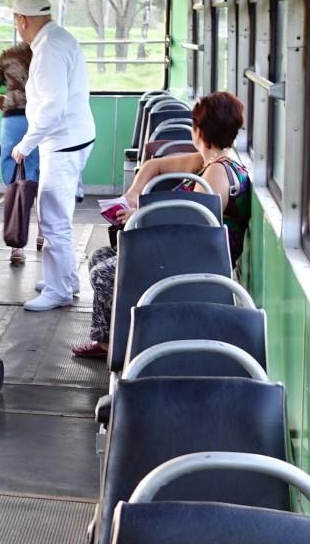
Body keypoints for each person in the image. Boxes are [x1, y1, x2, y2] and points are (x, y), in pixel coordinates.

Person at [72, 90, 252, 360]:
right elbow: (154, 166)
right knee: (100, 256)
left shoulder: (217, 173)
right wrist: (133, 195)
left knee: (103, 274)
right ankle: (110, 340)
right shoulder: (207, 161)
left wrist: (141, 215)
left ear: (199, 131)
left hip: (196, 260)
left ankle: (127, 343)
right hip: (184, 249)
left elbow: (193, 226)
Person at [8, 0, 95, 311]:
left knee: (53, 217)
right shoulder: (60, 38)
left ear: (22, 20)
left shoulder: (47, 51)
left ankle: (59, 291)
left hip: (63, 142)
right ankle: (66, 279)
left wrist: (25, 144)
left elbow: (52, 107)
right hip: (72, 138)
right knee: (60, 214)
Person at [0, 43, 36, 266]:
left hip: (13, 120)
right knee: (38, 177)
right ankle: (43, 236)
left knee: (15, 180)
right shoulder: (45, 55)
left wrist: (0, 99)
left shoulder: (8, 56)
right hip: (40, 120)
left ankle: (17, 248)